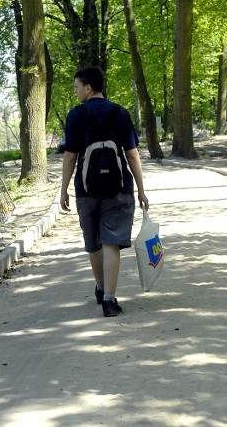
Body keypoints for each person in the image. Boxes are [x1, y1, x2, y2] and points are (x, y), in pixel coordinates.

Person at [60, 66, 149, 317]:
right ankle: (110, 300)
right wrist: (141, 190)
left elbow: (70, 157)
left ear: (88, 87)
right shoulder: (120, 113)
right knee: (111, 242)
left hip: (86, 190)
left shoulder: (75, 116)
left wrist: (64, 190)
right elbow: (132, 154)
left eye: (77, 86)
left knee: (94, 243)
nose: (76, 91)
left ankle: (100, 287)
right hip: (118, 188)